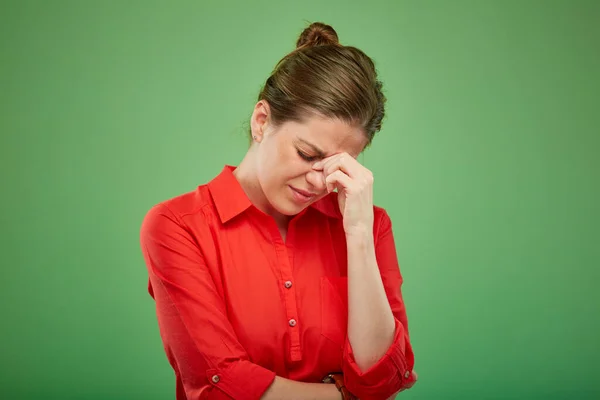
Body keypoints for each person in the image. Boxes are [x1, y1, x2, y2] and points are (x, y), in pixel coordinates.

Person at [140, 22, 417, 400]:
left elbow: (382, 379)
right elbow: (220, 386)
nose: (319, 182)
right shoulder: (177, 226)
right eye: (307, 154)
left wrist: (359, 237)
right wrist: (345, 396)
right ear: (261, 121)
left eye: (338, 165)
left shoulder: (368, 225)